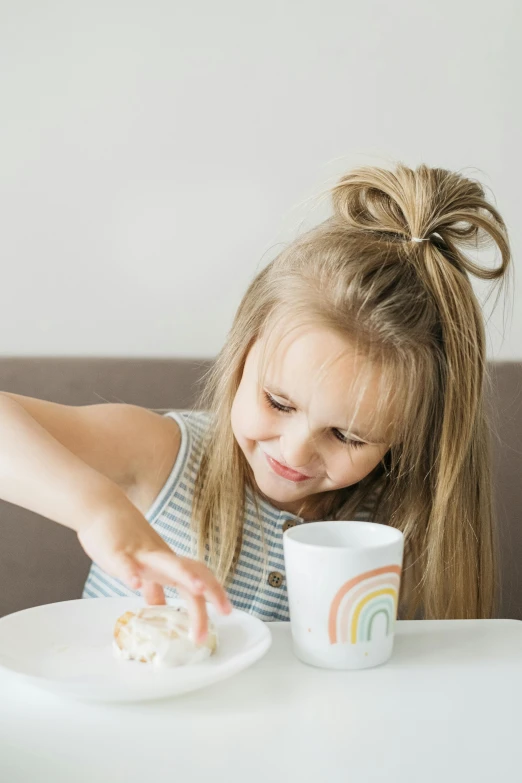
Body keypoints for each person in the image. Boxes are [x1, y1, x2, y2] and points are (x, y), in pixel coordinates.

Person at [0, 162, 511, 641]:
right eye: (278, 402)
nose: (293, 453)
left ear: (410, 434)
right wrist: (97, 511)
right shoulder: (161, 455)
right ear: (243, 351)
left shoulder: (397, 517)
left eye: (348, 436)